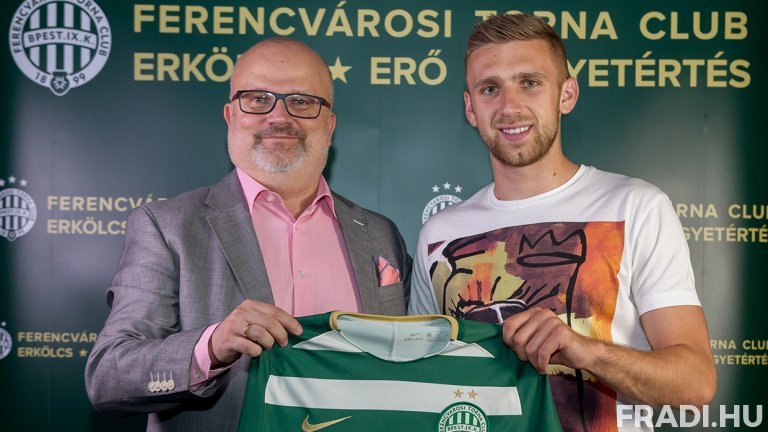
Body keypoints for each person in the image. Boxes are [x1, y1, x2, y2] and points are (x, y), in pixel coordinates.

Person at [408, 13, 716, 431]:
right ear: (470, 108)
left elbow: (695, 384)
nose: (509, 106)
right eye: (490, 88)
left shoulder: (636, 206)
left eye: (530, 82)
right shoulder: (440, 235)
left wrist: (586, 352)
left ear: (567, 94)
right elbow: (421, 382)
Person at [85, 38, 411, 432]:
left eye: (302, 101)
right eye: (257, 99)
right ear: (230, 115)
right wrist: (211, 346)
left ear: (330, 123)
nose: (279, 116)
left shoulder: (380, 235)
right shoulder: (167, 226)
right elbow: (108, 377)